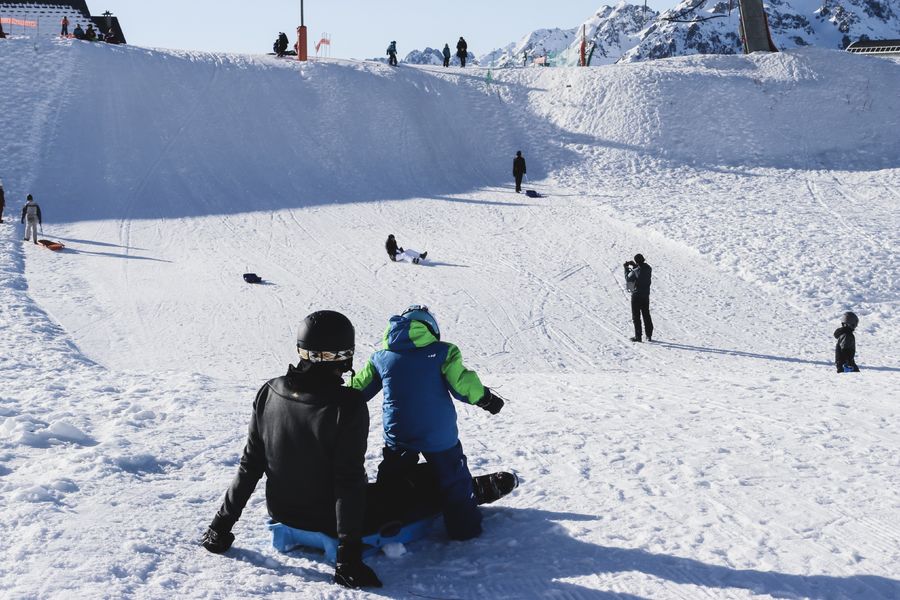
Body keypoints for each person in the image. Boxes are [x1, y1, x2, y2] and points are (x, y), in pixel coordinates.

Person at [201, 311, 382, 589]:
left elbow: (250, 465)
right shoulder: (347, 404)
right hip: (327, 519)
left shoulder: (269, 391)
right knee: (411, 486)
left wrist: (220, 527)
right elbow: (348, 481)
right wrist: (348, 559)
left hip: (281, 510)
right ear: (345, 354)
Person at [352, 305, 506, 541]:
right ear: (431, 328)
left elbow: (357, 391)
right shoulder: (444, 352)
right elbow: (462, 384)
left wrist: (329, 400)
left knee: (392, 478)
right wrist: (486, 399)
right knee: (454, 479)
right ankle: (464, 529)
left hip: (399, 433)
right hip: (438, 434)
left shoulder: (381, 357)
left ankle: (384, 520)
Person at [624, 254, 653, 342]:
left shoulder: (635, 271)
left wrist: (626, 269)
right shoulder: (649, 268)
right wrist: (635, 265)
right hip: (645, 295)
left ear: (636, 261)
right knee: (646, 314)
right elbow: (640, 272)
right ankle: (649, 335)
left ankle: (638, 336)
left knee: (636, 316)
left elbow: (628, 278)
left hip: (636, 296)